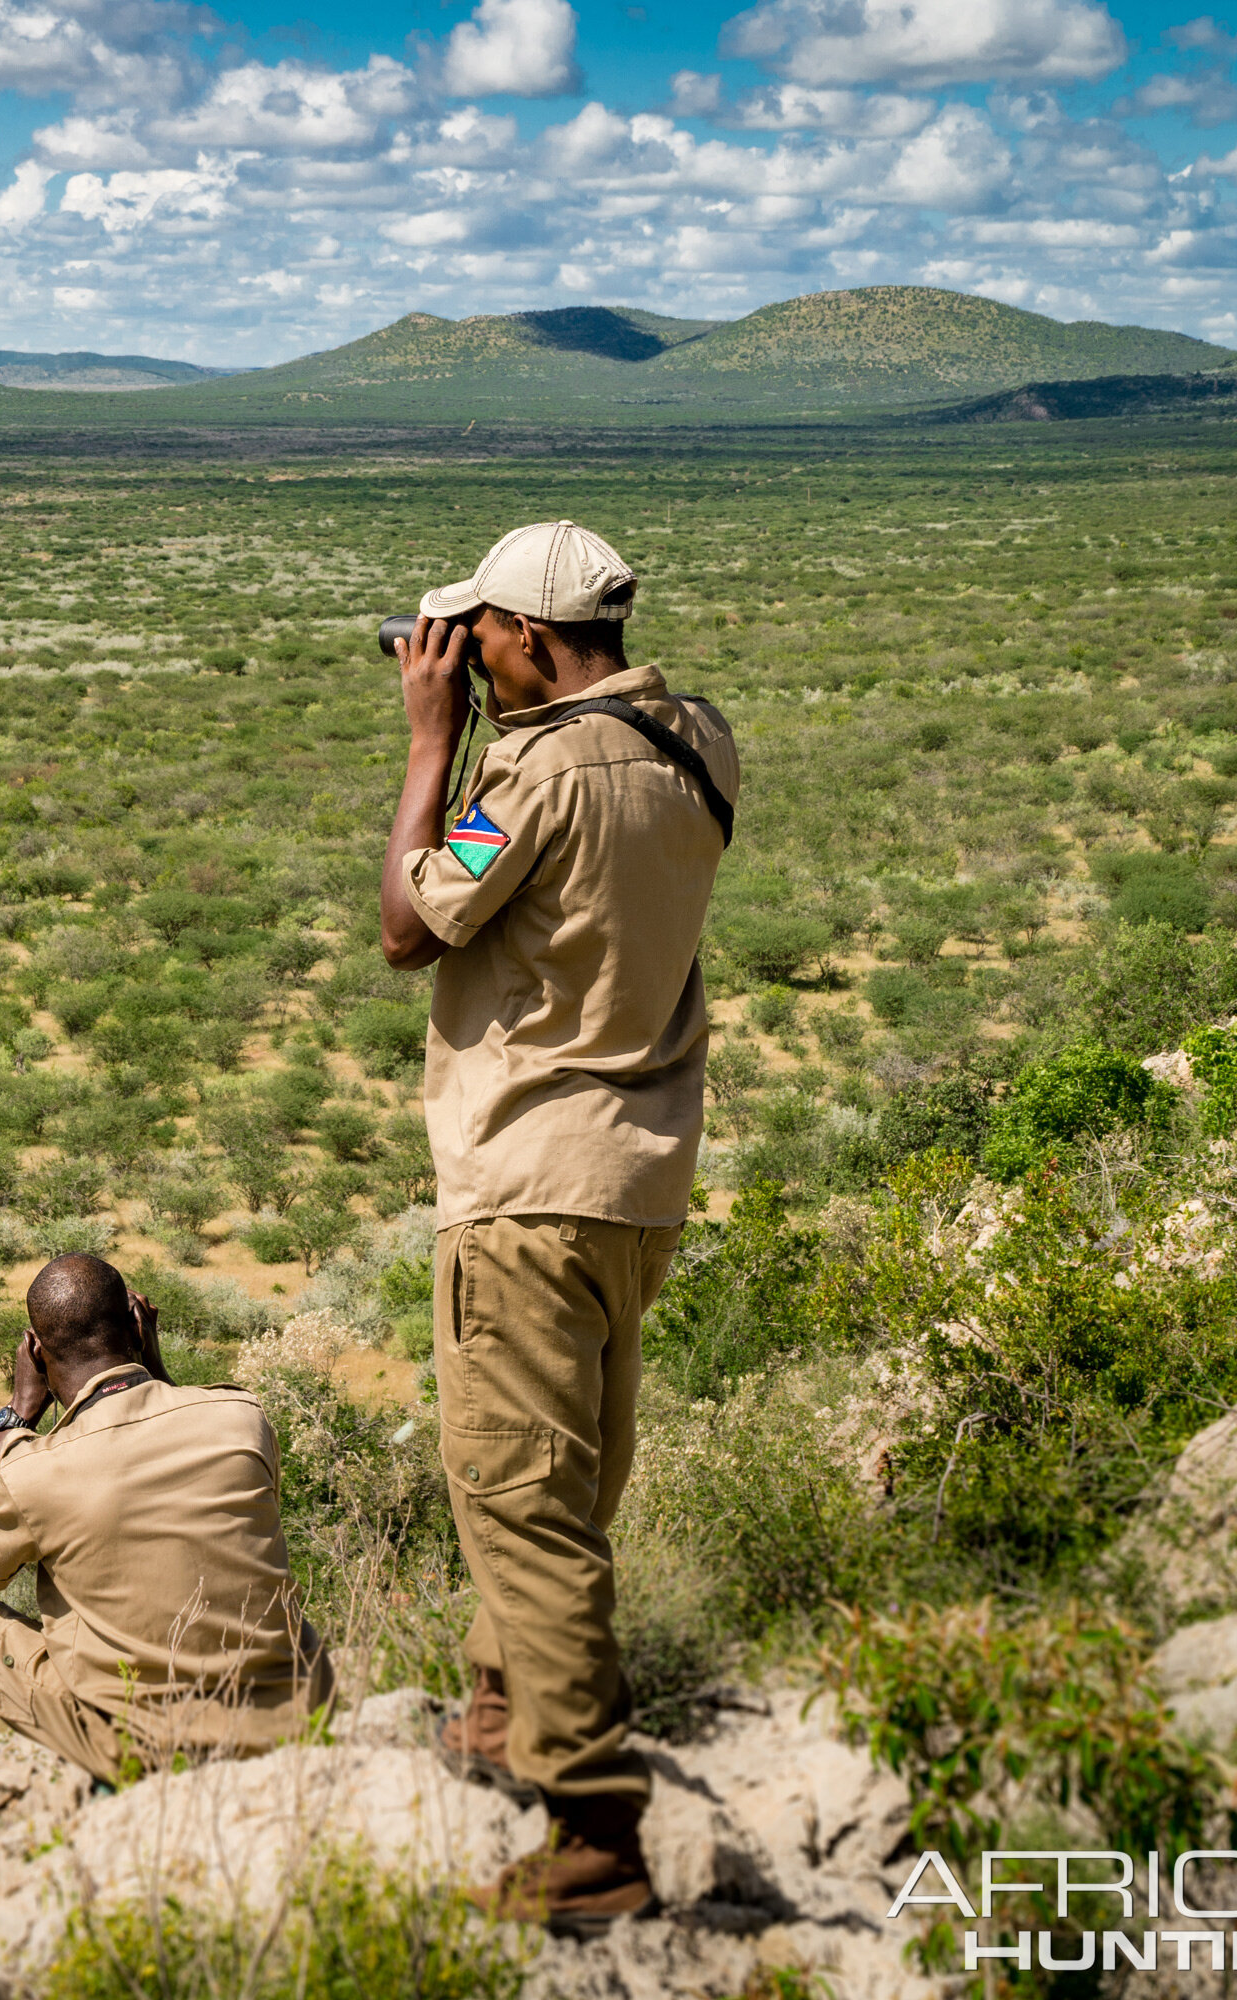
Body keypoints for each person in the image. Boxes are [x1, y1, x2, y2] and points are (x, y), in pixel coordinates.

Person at [377, 519, 739, 1934]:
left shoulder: (528, 772)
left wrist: (430, 743)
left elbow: (416, 928)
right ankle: (493, 1711)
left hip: (527, 1183)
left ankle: (592, 1831)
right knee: (571, 1481)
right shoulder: (697, 739)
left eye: (476, 637)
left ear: (525, 638)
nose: (457, 658)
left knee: (522, 1502)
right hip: (641, 1181)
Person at [0, 1253, 333, 1868]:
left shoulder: (34, 1471)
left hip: (147, 1744)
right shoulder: (243, 1419)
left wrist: (16, 1416)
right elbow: (175, 1418)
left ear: (36, 1351)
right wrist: (152, 1361)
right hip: (288, 1716)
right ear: (138, 1325)